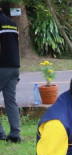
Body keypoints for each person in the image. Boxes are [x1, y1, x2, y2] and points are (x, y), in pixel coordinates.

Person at [0, 7, 21, 142]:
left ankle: (0, 133)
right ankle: (15, 134)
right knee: (10, 101)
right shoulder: (13, 25)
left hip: (1, 66)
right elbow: (16, 46)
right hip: (14, 67)